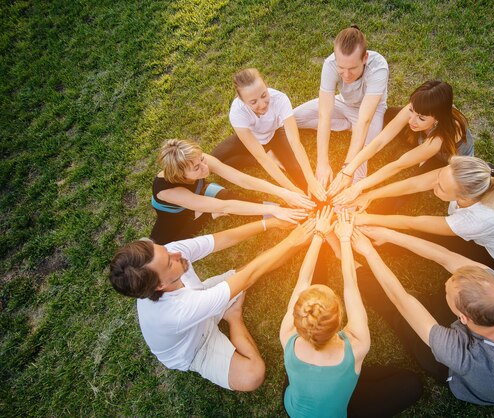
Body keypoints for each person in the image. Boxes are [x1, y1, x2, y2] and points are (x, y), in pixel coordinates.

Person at [109, 217, 315, 391]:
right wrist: (291, 241)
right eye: (169, 262)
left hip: (203, 299)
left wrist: (269, 222)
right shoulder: (176, 312)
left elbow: (221, 239)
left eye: (164, 249)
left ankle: (309, 236)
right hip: (196, 347)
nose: (176, 254)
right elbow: (250, 275)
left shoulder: (168, 254)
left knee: (247, 271)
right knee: (254, 375)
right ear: (160, 285)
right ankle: (234, 318)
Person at [352, 225, 494, 405]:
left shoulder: (465, 357)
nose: (447, 282)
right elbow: (447, 258)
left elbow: (400, 299)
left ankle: (356, 270)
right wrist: (390, 234)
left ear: (462, 319)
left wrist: (368, 252)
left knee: (406, 319)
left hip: (482, 385)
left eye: (448, 292)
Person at [281, 208, 421, 418]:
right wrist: (344, 239)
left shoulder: (287, 336)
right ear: (339, 321)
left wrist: (319, 235)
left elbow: (303, 280)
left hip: (293, 407)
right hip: (340, 413)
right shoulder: (357, 346)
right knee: (411, 383)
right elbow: (351, 285)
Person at [351, 156, 494, 281]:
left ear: (464, 198)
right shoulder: (470, 175)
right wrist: (370, 195)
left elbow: (413, 223)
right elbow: (414, 184)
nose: (432, 185)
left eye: (441, 188)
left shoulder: (476, 219)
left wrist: (366, 219)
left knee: (423, 240)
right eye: (439, 176)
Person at [328, 80, 473, 207]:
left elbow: (399, 165)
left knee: (410, 184)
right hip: (424, 137)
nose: (411, 121)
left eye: (421, 118)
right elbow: (380, 141)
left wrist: (357, 187)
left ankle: (380, 212)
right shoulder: (419, 107)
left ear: (437, 119)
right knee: (385, 115)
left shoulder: (438, 139)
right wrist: (348, 170)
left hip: (445, 158)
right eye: (411, 110)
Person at [151, 138, 310, 244]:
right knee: (172, 242)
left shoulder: (193, 159)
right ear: (180, 175)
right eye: (197, 168)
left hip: (200, 193)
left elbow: (241, 179)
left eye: (202, 160)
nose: (205, 168)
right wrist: (273, 209)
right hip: (177, 221)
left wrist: (284, 193)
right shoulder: (169, 191)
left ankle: (276, 209)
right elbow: (225, 206)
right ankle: (207, 216)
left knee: (229, 197)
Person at [210, 68, 326, 202]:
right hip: (251, 137)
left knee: (296, 170)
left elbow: (295, 143)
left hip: (275, 133)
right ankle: (270, 156)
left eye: (264, 95)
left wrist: (311, 179)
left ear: (266, 86)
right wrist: (291, 191)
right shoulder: (237, 111)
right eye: (253, 102)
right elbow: (261, 157)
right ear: (242, 100)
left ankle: (273, 155)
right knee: (213, 163)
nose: (262, 104)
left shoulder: (280, 99)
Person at [294, 25, 389, 186]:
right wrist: (322, 163)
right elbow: (324, 114)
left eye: (352, 68)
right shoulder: (330, 64)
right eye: (341, 68)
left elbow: (364, 120)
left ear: (365, 58)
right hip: (343, 102)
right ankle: (346, 125)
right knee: (292, 118)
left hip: (370, 112)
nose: (346, 75)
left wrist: (347, 168)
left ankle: (351, 194)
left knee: (360, 160)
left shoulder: (378, 67)